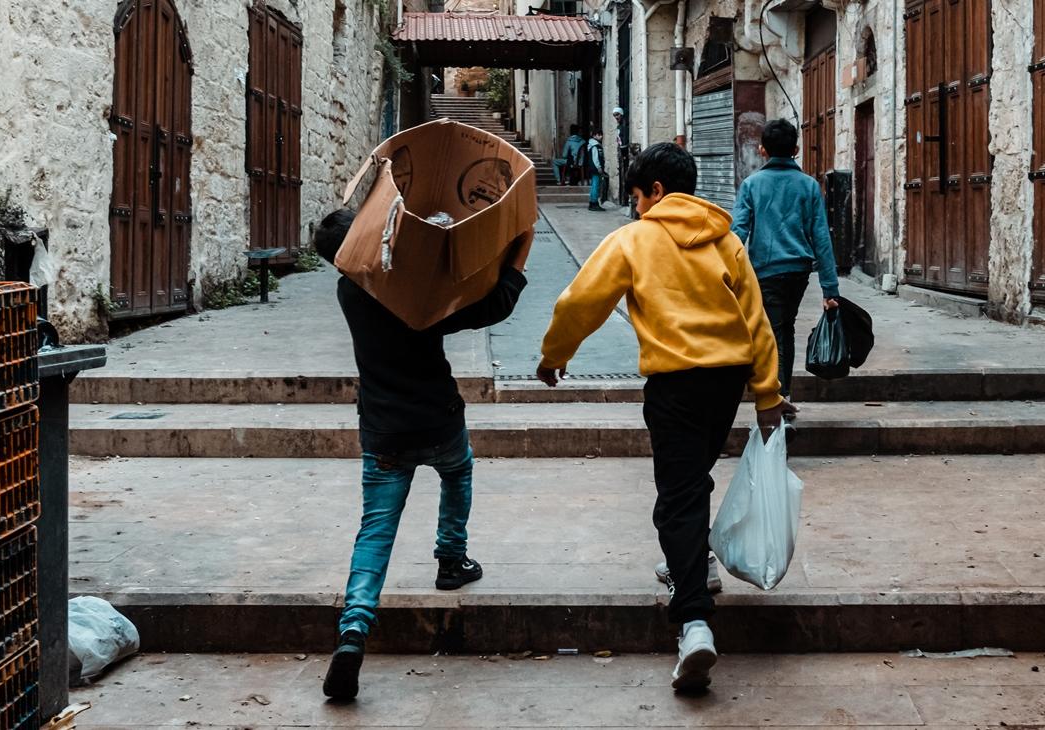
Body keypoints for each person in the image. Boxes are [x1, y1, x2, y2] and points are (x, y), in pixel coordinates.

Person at [536, 143, 794, 692]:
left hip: (674, 383)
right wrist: (767, 393)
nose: (634, 208)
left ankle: (694, 622)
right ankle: (692, 564)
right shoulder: (726, 240)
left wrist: (554, 355)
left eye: (636, 196)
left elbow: (580, 303)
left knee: (677, 495)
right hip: (726, 381)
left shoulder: (634, 240)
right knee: (694, 478)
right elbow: (757, 319)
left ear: (655, 191)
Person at [314, 208, 532, 701]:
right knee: (458, 473)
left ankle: (353, 633)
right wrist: (517, 255)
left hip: (383, 429)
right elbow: (489, 306)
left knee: (375, 531)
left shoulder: (348, 290)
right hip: (437, 419)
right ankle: (451, 560)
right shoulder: (410, 286)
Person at [731, 118, 840, 398]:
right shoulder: (809, 186)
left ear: (762, 150)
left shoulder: (752, 185)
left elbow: (738, 232)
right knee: (783, 328)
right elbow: (821, 238)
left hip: (765, 272)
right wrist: (830, 288)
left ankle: (778, 401)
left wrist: (725, 271)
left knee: (774, 331)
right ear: (796, 150)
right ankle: (779, 395)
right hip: (797, 272)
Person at [585, 129, 606, 211]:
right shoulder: (594, 146)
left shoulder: (596, 145)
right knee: (595, 186)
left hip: (595, 169)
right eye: (599, 134)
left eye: (601, 134)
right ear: (594, 136)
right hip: (595, 169)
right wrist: (599, 168)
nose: (601, 136)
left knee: (595, 185)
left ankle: (594, 202)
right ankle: (593, 203)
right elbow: (595, 158)